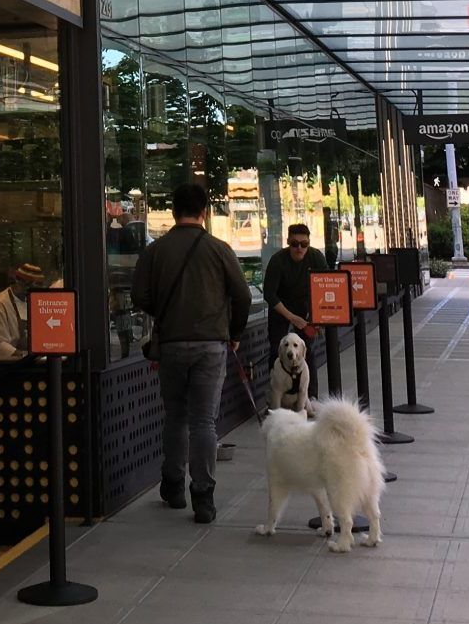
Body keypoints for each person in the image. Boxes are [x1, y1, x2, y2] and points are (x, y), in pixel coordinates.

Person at [131, 183, 252, 524]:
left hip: (170, 344)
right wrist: (235, 332)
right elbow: (242, 296)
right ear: (204, 212)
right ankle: (204, 496)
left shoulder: (156, 251)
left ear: (173, 212)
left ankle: (172, 485)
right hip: (211, 346)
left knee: (175, 416)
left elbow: (138, 295)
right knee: (203, 421)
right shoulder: (219, 249)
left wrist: (165, 313)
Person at [262, 223, 331, 400]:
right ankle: (275, 397)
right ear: (288, 242)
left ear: (309, 243)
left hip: (305, 305)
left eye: (303, 244)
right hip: (281, 306)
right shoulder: (278, 261)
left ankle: (310, 396)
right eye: (294, 244)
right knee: (276, 349)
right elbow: (270, 295)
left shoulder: (316, 257)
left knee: (308, 350)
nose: (299, 248)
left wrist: (317, 318)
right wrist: (292, 317)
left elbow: (325, 286)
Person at [0, 263, 45, 357]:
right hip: (10, 365)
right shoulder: (0, 305)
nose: (30, 293)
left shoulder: (34, 301)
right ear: (18, 282)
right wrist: (24, 357)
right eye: (27, 287)